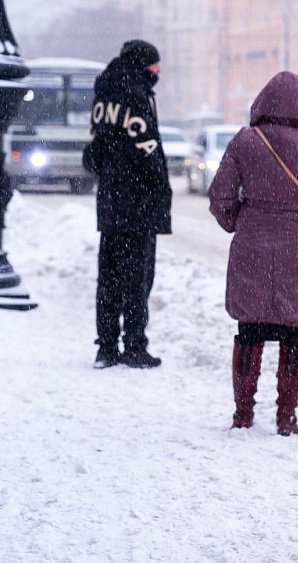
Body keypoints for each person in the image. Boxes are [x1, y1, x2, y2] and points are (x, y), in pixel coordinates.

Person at [209, 72, 298, 436]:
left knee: (249, 330)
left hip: (252, 244)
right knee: (296, 334)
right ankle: (286, 416)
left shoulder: (245, 141)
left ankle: (243, 414)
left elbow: (220, 195)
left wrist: (240, 221)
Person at [84, 40, 171, 369]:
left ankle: (106, 347)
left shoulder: (104, 92)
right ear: (142, 66)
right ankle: (134, 346)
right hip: (138, 204)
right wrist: (159, 189)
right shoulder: (135, 95)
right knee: (137, 279)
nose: (157, 72)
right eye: (154, 66)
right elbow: (148, 151)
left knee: (108, 278)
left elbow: (96, 150)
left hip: (110, 201)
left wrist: (111, 176)